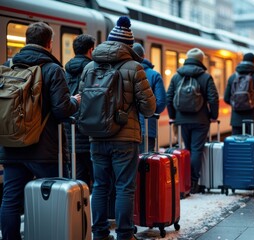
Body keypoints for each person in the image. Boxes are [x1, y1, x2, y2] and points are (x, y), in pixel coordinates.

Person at [0, 21, 81, 240]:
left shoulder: (9, 66)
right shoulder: (53, 69)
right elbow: (62, 109)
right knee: (52, 196)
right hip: (44, 148)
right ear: (49, 43)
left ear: (27, 41)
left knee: (10, 200)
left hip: (12, 146)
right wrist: (75, 101)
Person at [86, 16, 156, 240]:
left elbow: (83, 101)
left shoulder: (90, 66)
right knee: (125, 187)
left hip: (96, 136)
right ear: (128, 44)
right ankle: (125, 234)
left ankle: (99, 233)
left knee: (100, 186)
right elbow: (149, 108)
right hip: (125, 138)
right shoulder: (134, 67)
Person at [166, 48, 219, 194]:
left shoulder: (177, 76)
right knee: (196, 150)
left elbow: (168, 97)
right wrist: (213, 115)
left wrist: (173, 116)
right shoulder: (205, 77)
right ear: (201, 60)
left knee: (187, 149)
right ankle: (194, 182)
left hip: (182, 120)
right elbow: (213, 98)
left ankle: (185, 181)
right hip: (200, 119)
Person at [64, 34, 96, 191]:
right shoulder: (94, 70)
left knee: (78, 180)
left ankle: (80, 215)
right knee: (98, 180)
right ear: (91, 50)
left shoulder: (65, 70)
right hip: (90, 132)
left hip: (70, 134)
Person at [224, 52, 254, 138]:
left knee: (237, 147)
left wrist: (238, 104)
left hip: (237, 120)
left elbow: (226, 98)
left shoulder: (232, 77)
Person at [132, 43, 166, 153]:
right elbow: (161, 102)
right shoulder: (154, 75)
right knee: (147, 163)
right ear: (144, 56)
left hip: (126, 130)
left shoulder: (123, 72)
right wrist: (148, 111)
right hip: (147, 128)